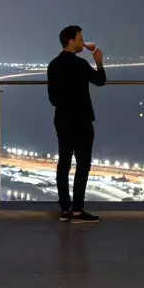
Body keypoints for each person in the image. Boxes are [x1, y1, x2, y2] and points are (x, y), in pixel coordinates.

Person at [47, 25, 106, 223]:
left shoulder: (53, 65)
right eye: (80, 39)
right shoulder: (80, 64)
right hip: (82, 120)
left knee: (64, 163)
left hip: (62, 120)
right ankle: (78, 211)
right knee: (82, 165)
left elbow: (53, 99)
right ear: (71, 41)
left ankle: (65, 209)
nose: (83, 42)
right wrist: (99, 62)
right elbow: (100, 81)